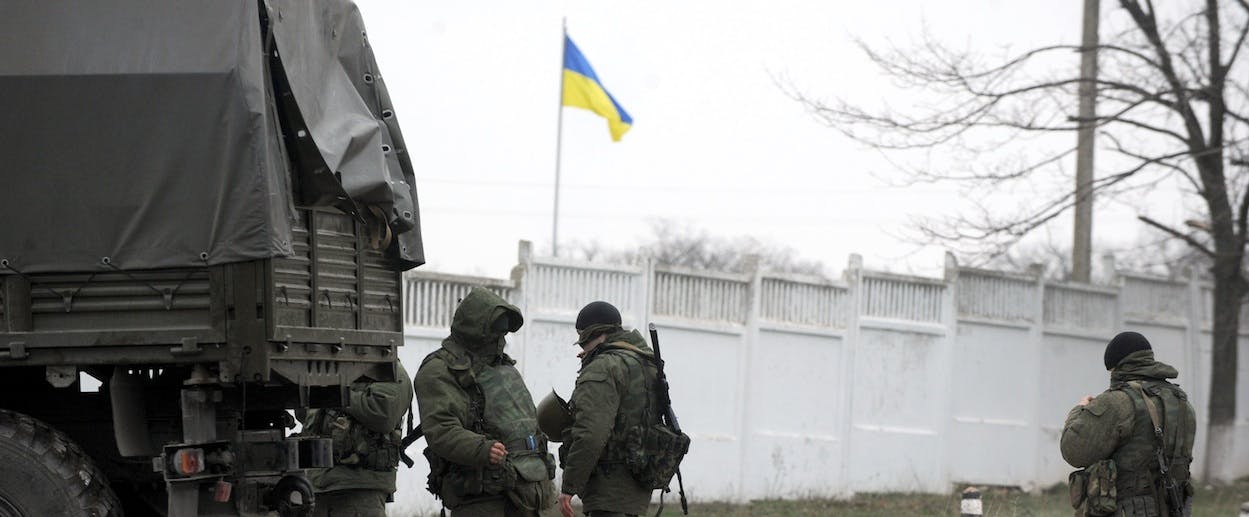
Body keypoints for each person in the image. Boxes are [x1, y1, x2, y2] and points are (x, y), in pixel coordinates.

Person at [415, 287, 556, 516]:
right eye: (495, 331)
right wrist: (483, 449)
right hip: (482, 497)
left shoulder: (503, 366)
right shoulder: (439, 370)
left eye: (502, 332)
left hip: (531, 492)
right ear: (476, 328)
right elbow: (441, 429)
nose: (500, 338)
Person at [1061, 331, 1196, 516]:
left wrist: (1079, 410)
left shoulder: (1118, 401)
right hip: (1174, 509)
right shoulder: (1182, 402)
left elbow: (1074, 451)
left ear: (1115, 367)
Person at [557, 301, 661, 517]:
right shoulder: (644, 363)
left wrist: (570, 485)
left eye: (582, 339)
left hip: (608, 487)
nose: (582, 349)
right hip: (638, 482)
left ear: (591, 334)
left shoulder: (604, 367)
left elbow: (591, 434)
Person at [300, 360, 414, 517]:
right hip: (317, 486)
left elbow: (383, 413)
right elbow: (305, 413)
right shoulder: (332, 366)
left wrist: (334, 395)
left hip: (360, 487)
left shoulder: (388, 368)